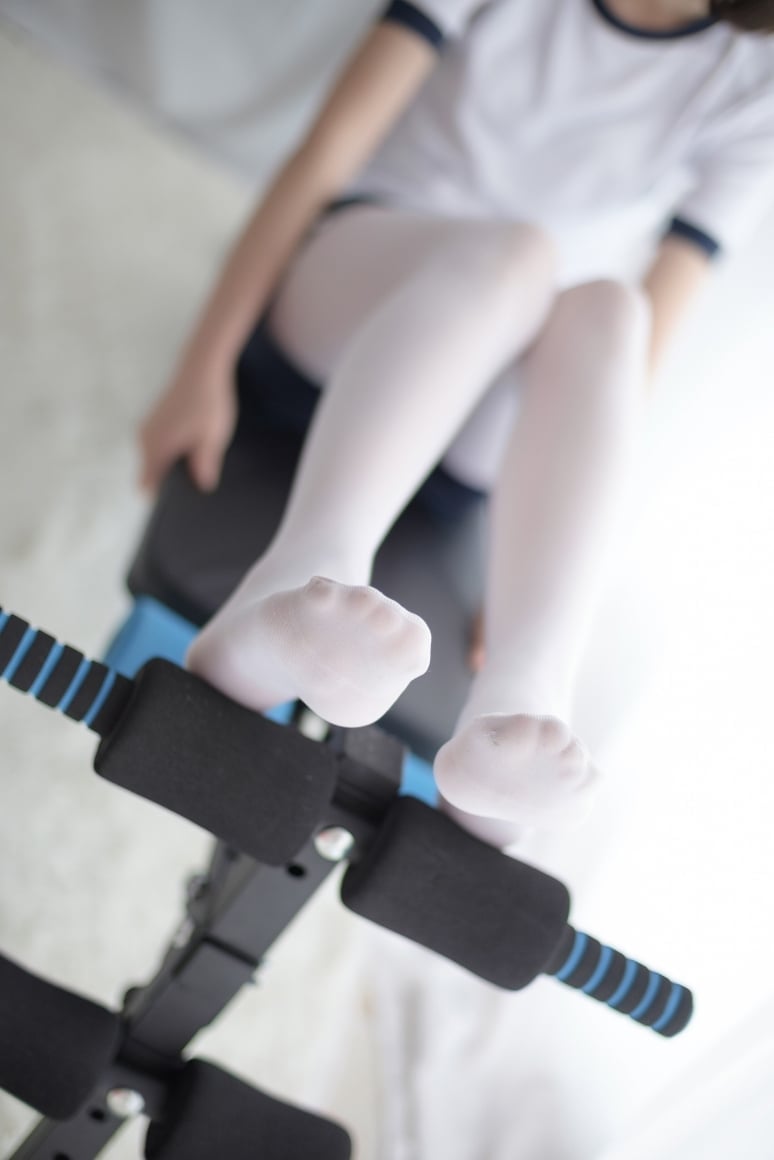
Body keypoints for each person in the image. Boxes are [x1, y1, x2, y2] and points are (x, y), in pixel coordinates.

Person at [138, 0, 774, 847]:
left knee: (614, 314)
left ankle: (522, 695)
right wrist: (203, 363)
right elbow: (325, 153)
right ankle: (293, 584)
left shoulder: (754, 80)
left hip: (476, 425)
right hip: (355, 299)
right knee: (518, 253)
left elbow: (634, 365)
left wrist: (534, 574)